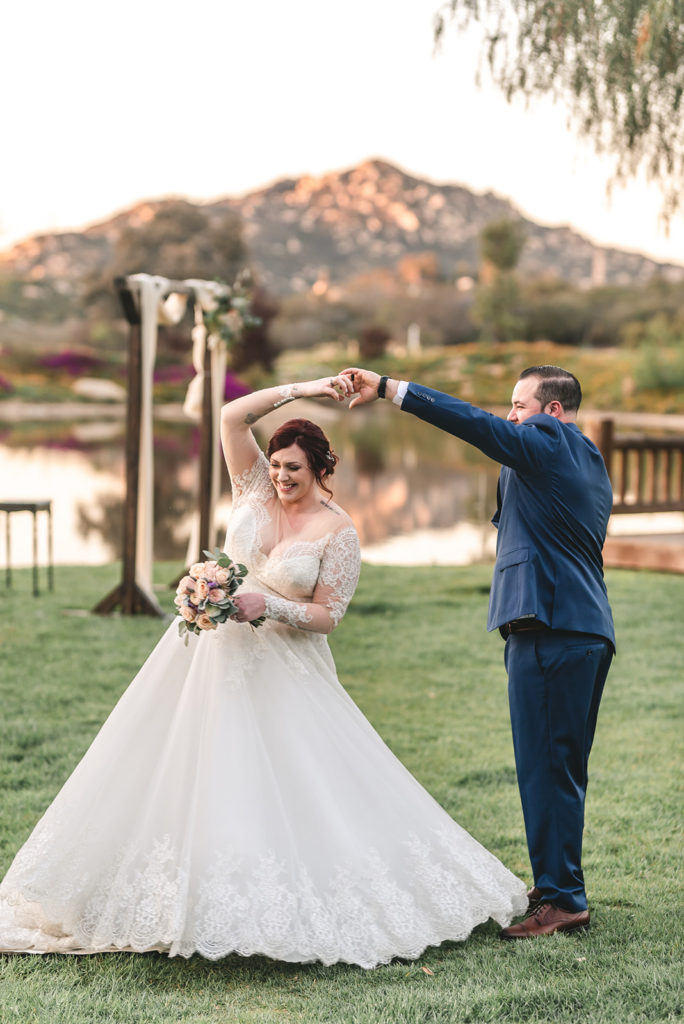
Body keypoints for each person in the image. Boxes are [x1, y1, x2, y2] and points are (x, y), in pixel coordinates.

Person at [0, 376, 526, 968]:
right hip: (204, 659)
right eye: (276, 465)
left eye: (294, 468)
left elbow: (327, 616)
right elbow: (229, 416)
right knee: (177, 766)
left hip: (285, 668)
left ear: (322, 469)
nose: (281, 477)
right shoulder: (251, 489)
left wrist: (268, 604)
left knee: (281, 778)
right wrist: (308, 387)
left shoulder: (339, 531)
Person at [341, 365, 615, 939]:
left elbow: (477, 427)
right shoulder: (586, 456)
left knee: (545, 768)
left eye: (519, 405)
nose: (511, 416)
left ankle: (562, 899)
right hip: (582, 628)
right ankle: (558, 886)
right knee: (561, 768)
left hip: (551, 628)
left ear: (553, 412)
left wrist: (393, 390)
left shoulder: (548, 439)